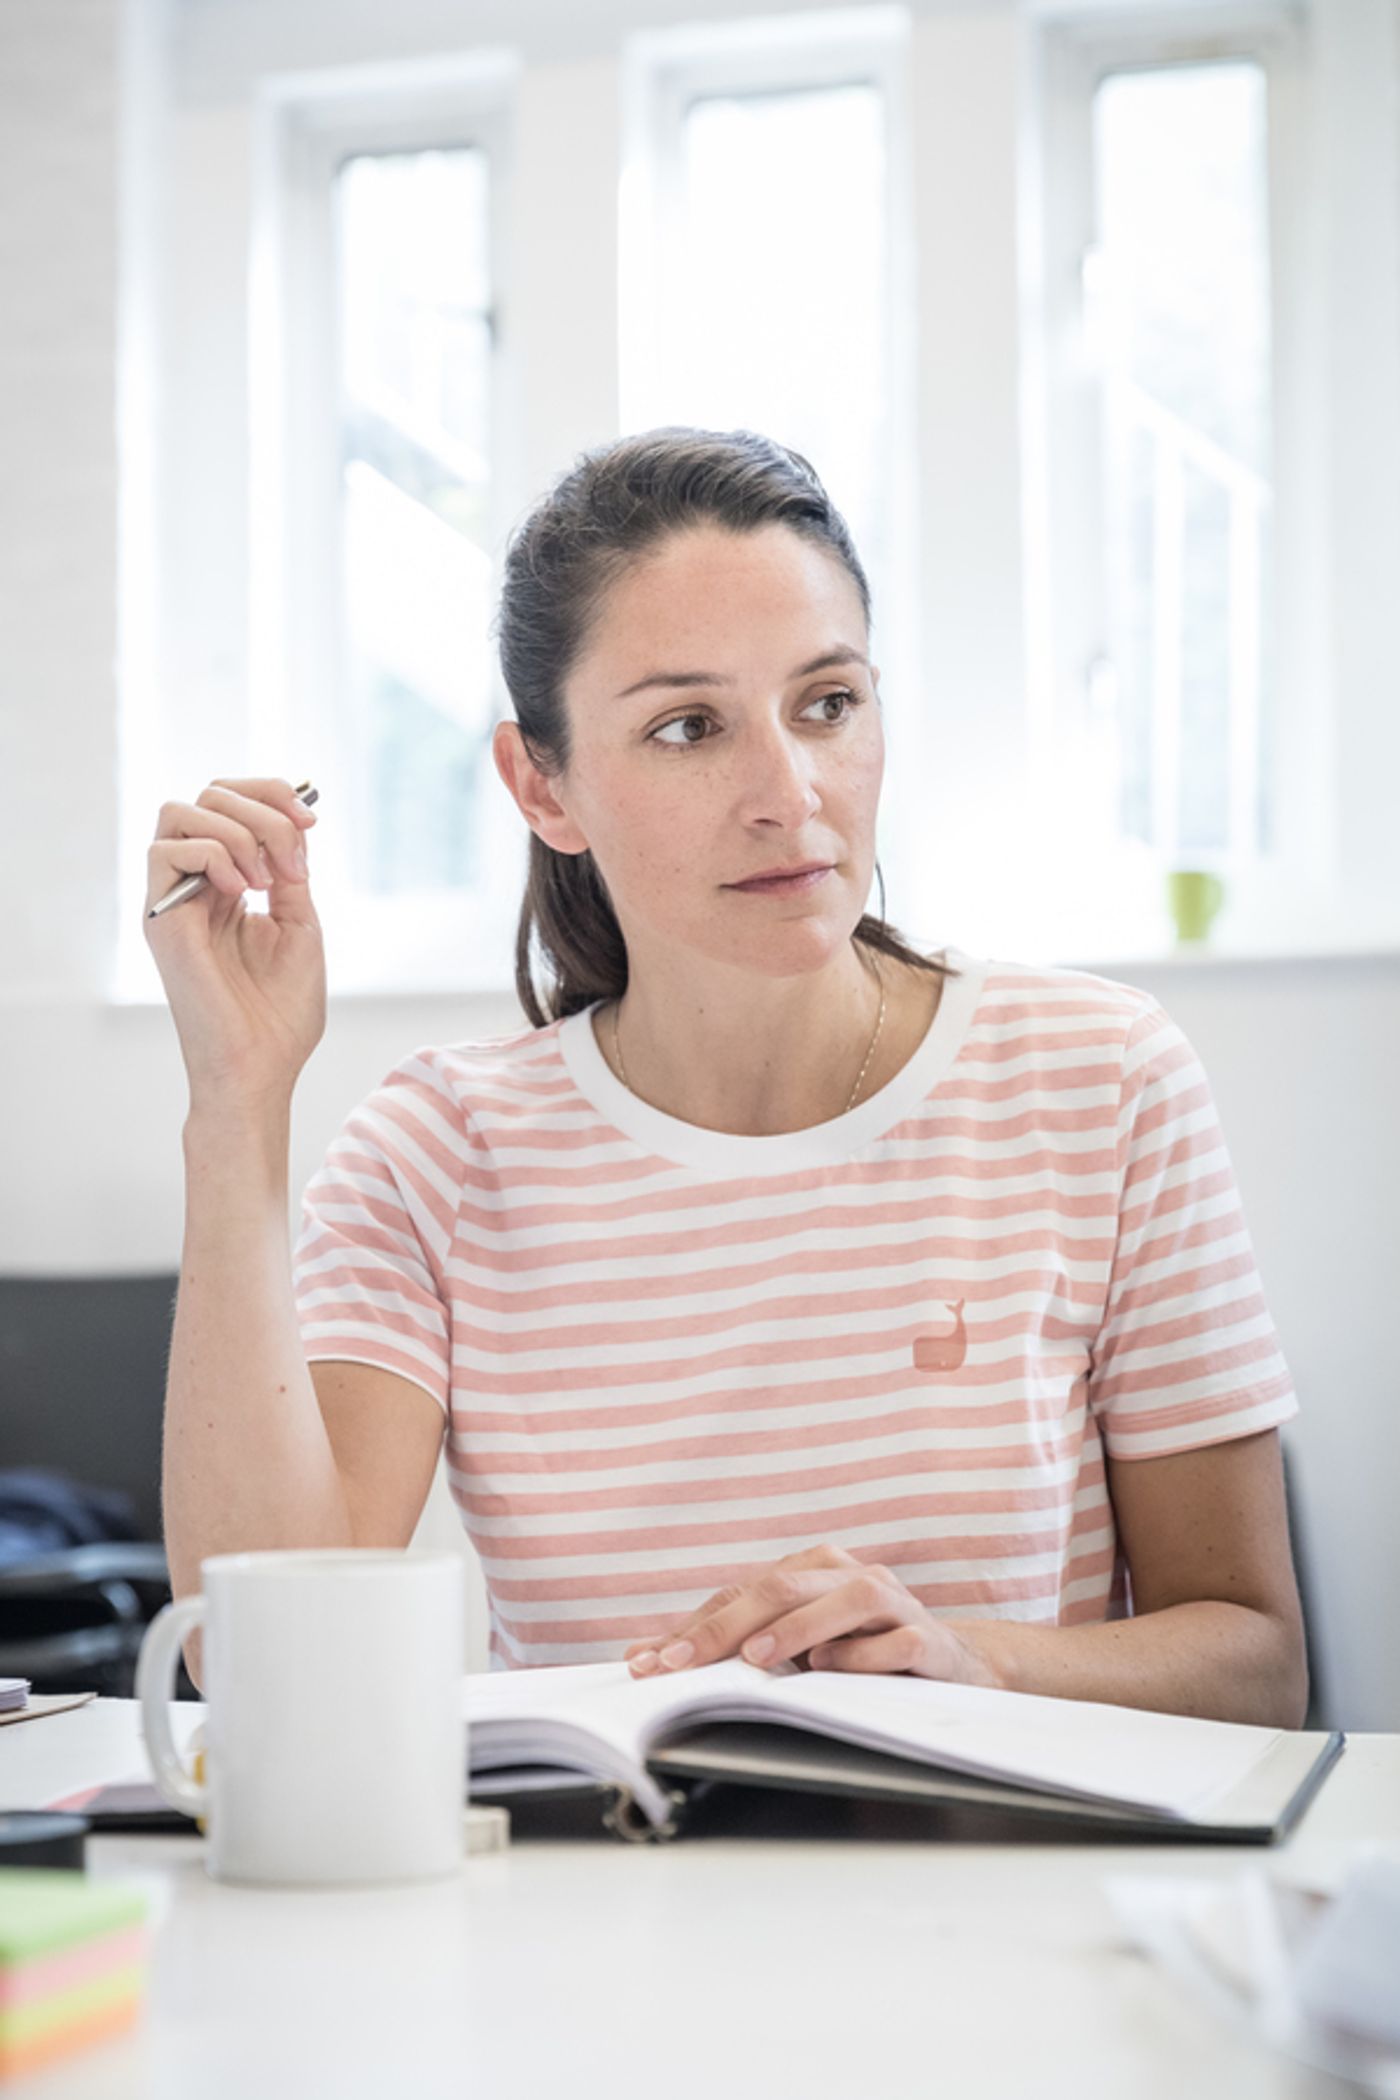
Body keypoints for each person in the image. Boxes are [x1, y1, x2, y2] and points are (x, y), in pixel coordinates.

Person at [146, 427, 1308, 1724]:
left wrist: (977, 1665)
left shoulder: (1103, 1082)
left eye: (828, 703)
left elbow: (1255, 1662)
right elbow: (256, 1662)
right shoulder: (439, 1152)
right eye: (690, 726)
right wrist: (238, 1103)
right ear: (543, 785)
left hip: (1009, 1905)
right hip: (611, 1901)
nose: (789, 792)